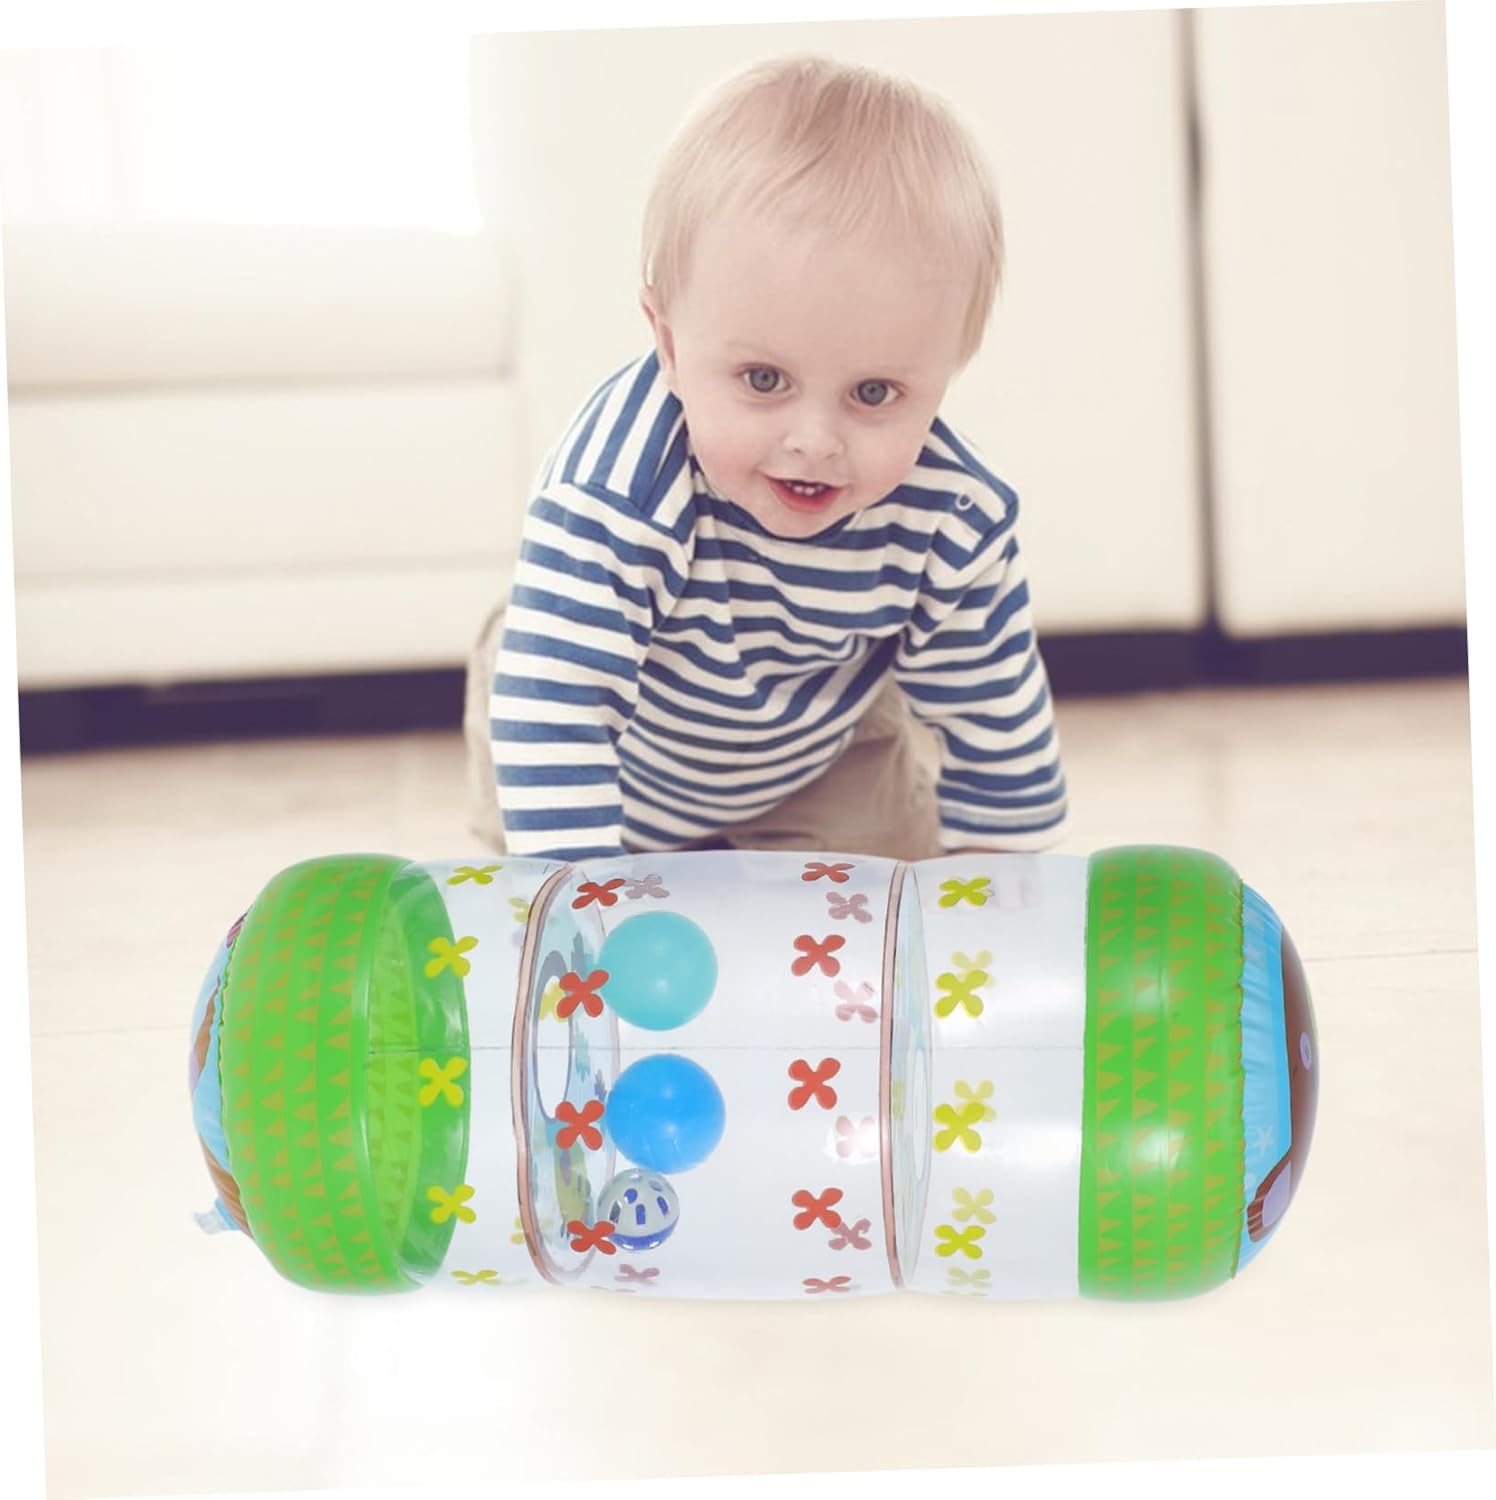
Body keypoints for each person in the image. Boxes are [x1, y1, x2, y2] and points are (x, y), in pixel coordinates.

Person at [464, 54, 1068, 863]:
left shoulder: (952, 516)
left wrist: (1004, 889)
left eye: (875, 392)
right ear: (669, 344)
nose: (815, 440)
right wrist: (578, 897)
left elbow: (994, 709)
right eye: (763, 380)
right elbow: (559, 705)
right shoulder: (615, 494)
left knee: (894, 878)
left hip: (817, 749)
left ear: (947, 369)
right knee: (538, 873)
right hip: (595, 735)